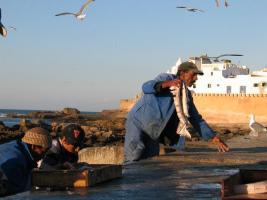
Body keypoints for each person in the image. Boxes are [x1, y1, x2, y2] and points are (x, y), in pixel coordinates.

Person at [124, 61, 229, 162]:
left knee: (149, 161)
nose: (196, 78)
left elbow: (196, 119)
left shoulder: (187, 96)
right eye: (193, 75)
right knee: (134, 155)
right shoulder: (165, 78)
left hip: (155, 131)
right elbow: (146, 87)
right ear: (182, 73)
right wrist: (168, 84)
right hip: (138, 123)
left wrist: (213, 137)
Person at [0, 127, 52, 196]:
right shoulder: (16, 162)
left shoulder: (16, 146)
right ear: (33, 147)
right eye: (43, 152)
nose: (43, 156)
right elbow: (13, 193)